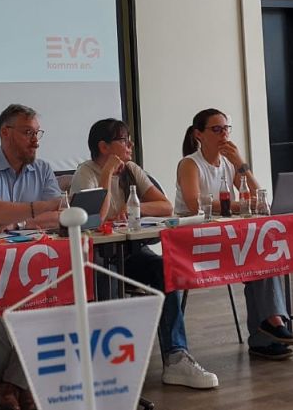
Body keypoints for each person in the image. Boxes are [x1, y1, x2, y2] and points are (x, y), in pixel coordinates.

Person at [69, 118, 219, 389]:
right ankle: (106, 366)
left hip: (131, 251)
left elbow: (165, 206)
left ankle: (176, 358)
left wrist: (132, 206)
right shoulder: (85, 173)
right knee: (106, 282)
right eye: (123, 140)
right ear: (104, 146)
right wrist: (107, 176)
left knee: (164, 270)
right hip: (95, 257)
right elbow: (94, 218)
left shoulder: (131, 169)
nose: (130, 145)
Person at [0, 104, 65, 410]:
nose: (35, 141)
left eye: (37, 133)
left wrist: (18, 222)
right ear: (5, 133)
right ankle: (26, 384)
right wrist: (39, 209)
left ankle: (12, 385)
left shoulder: (42, 168)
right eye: (28, 133)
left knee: (61, 296)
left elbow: (58, 215)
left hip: (28, 259)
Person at [175, 108, 293, 361]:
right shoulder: (190, 163)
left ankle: (267, 332)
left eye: (226, 129)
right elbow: (194, 204)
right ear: (199, 134)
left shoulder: (228, 164)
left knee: (264, 250)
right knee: (257, 253)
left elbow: (260, 199)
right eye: (216, 129)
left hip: (226, 235)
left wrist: (241, 164)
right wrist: (237, 205)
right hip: (196, 240)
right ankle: (270, 326)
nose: (224, 134)